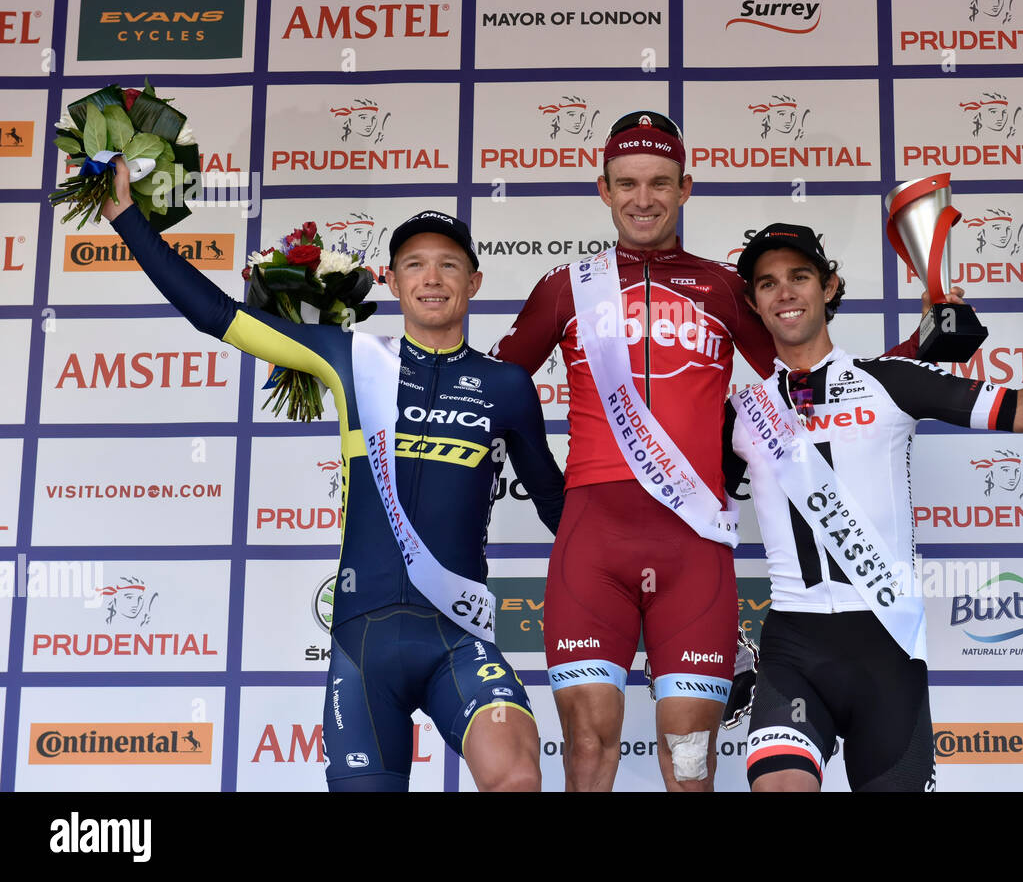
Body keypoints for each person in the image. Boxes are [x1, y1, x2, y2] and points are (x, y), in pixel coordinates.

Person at [490, 112, 924, 791]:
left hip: (693, 549)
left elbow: (812, 383)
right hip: (591, 543)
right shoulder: (563, 285)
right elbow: (492, 391)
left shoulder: (724, 288)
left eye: (660, 182)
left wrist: (924, 348)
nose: (643, 198)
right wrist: (553, 495)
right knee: (586, 751)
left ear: (686, 187)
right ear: (602, 188)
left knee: (689, 766)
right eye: (628, 183)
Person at [101, 160, 564, 792]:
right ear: (393, 281)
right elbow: (216, 315)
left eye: (449, 264)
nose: (432, 277)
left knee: (516, 775)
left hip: (457, 637)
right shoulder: (351, 358)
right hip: (362, 643)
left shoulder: (506, 385)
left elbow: (557, 505)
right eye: (415, 264)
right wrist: (127, 219)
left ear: (474, 281)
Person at [725, 222, 1023, 792]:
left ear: (830, 287)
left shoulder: (889, 380)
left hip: (887, 650)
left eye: (800, 277)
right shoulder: (742, 413)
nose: (785, 293)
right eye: (768, 284)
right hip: (794, 647)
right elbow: (694, 519)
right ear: (753, 302)